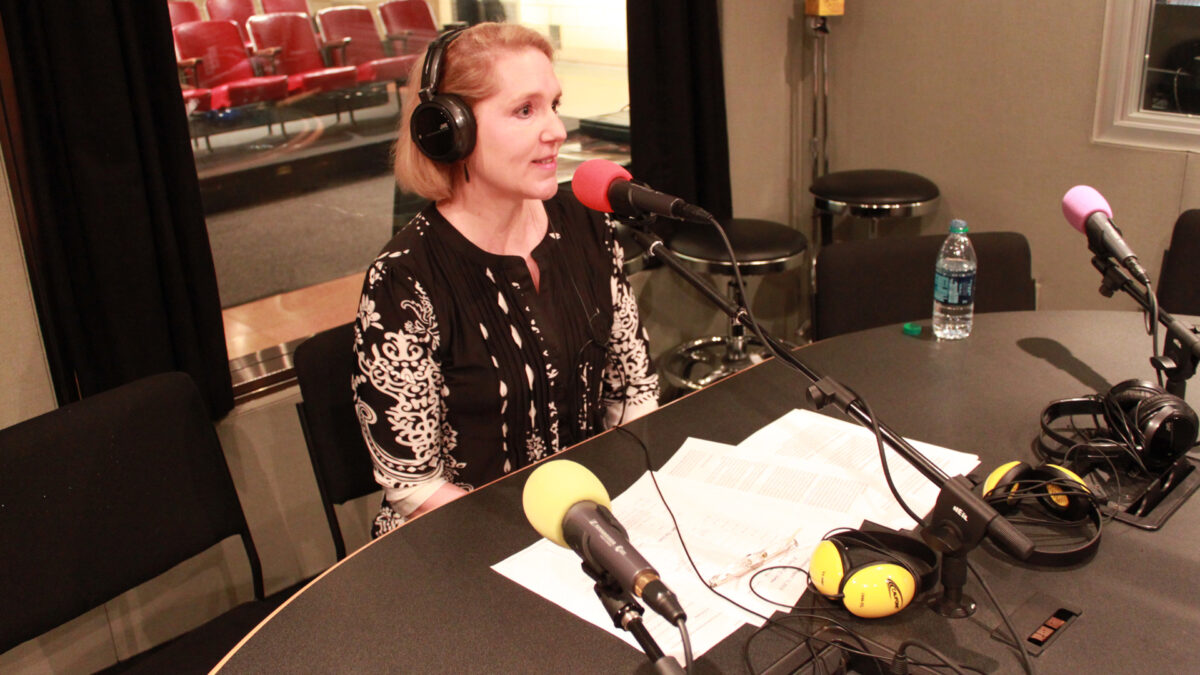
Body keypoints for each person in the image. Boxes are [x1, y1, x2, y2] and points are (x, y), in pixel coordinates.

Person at [353, 23, 658, 537]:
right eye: (525, 110)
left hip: (589, 523)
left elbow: (633, 394)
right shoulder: (404, 279)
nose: (557, 130)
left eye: (554, 105)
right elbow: (415, 487)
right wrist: (549, 539)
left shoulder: (587, 222)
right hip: (464, 540)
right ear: (449, 130)